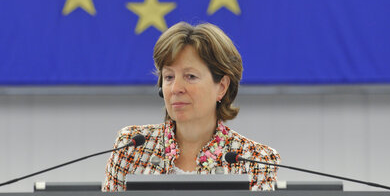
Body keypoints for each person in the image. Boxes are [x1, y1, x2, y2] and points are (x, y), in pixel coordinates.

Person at [102, 22, 280, 191]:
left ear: (222, 87)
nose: (176, 89)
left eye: (191, 76)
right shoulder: (132, 147)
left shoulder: (255, 159)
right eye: (169, 77)